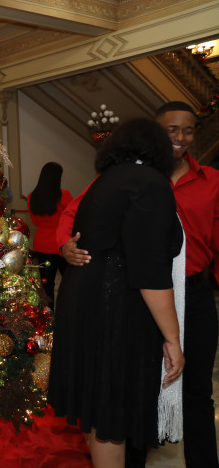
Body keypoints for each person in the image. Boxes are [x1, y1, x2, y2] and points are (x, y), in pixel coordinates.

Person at [58, 102, 219, 467]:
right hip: (132, 301)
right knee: (121, 399)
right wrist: (173, 338)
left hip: (178, 293)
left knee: (179, 394)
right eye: (171, 130)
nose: (180, 137)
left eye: (188, 130)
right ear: (156, 138)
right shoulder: (147, 183)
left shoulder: (119, 178)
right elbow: (148, 269)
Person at [27, 162, 72, 306]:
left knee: (47, 285)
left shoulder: (31, 197)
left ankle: (49, 315)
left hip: (41, 244)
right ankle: (67, 313)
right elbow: (73, 218)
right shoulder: (64, 195)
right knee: (69, 283)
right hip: (61, 244)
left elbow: (35, 222)